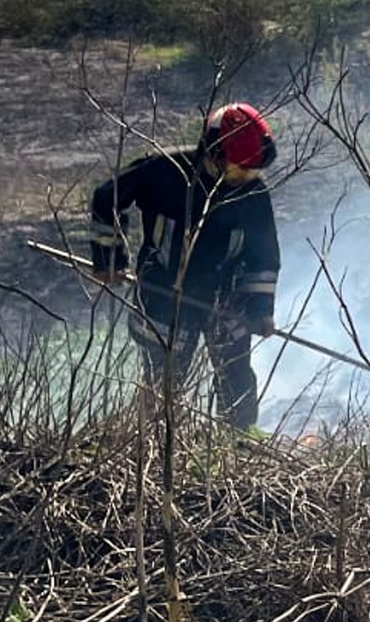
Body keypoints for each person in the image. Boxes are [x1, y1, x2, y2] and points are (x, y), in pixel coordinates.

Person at [89, 102, 281, 428]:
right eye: (237, 170)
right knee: (165, 380)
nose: (243, 180)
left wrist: (260, 309)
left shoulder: (254, 194)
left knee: (236, 379)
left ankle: (238, 440)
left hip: (224, 299)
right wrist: (109, 260)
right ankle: (154, 437)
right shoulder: (166, 172)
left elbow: (263, 257)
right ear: (212, 153)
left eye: (251, 172)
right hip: (164, 294)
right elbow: (107, 197)